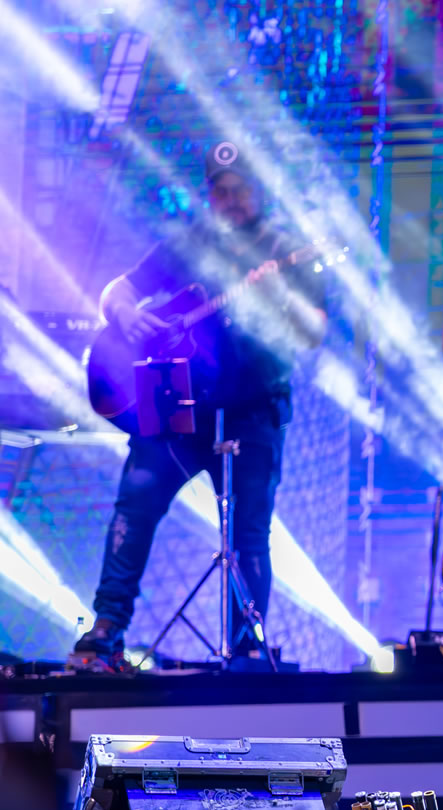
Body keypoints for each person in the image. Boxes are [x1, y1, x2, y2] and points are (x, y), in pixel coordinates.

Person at [71, 140, 326, 669]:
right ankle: (107, 627)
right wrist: (126, 316)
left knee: (249, 531)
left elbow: (313, 333)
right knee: (136, 502)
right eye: (221, 191)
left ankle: (246, 643)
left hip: (252, 411)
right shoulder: (187, 244)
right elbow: (116, 290)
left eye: (240, 191)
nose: (230, 201)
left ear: (259, 191)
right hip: (178, 409)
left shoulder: (289, 250)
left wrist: (282, 297)